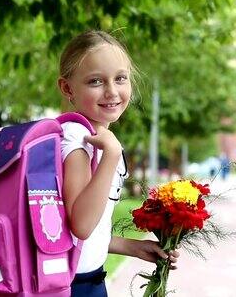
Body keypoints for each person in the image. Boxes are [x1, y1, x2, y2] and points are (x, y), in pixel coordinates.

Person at [57, 30, 179, 297]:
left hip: (90, 280)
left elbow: (85, 235)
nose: (112, 91)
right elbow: (82, 224)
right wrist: (111, 154)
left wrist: (132, 247)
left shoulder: (99, 138)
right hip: (67, 287)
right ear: (67, 88)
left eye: (120, 78)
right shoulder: (76, 139)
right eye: (95, 81)